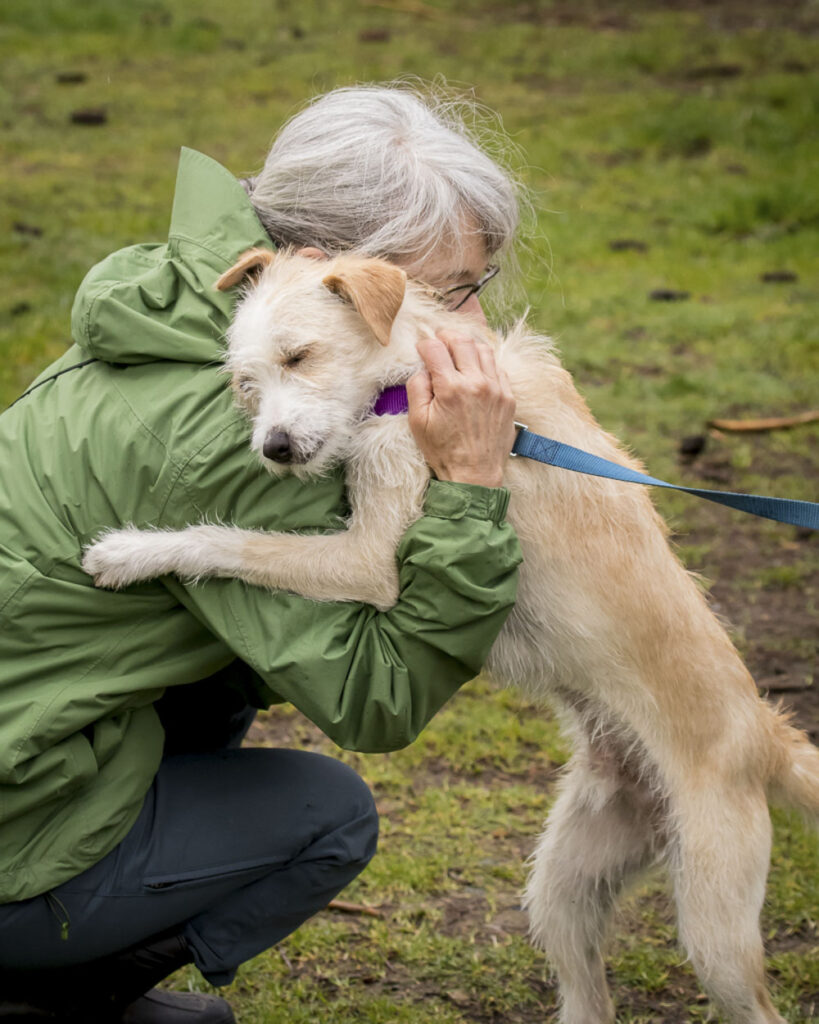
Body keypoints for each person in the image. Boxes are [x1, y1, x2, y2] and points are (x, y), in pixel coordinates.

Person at [0, 83, 523, 1023]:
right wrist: (474, 491)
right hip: (12, 820)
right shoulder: (234, 431)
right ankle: (51, 993)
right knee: (329, 814)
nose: (473, 329)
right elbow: (379, 695)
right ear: (339, 271)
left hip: (31, 730)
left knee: (233, 665)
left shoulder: (191, 301)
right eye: (448, 293)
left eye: (473, 290)